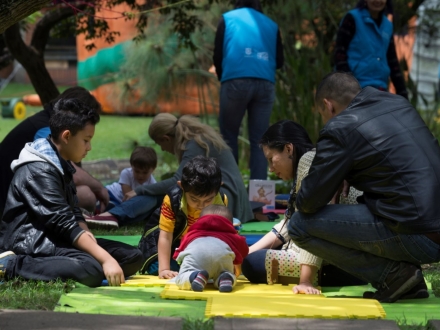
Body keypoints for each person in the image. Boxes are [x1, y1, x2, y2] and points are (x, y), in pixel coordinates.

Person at [288, 71, 440, 303]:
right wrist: (348, 170)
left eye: (322, 115)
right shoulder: (397, 103)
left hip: (418, 233)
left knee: (299, 225)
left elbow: (308, 201)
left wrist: (339, 173)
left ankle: (395, 275)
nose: (326, 121)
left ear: (328, 106)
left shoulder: (339, 126)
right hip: (431, 226)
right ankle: (410, 284)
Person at [0, 98, 143, 287]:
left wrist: (89, 240)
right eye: (86, 140)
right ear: (67, 136)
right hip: (31, 244)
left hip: (58, 239)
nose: (89, 147)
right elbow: (63, 222)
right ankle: (10, 265)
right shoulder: (39, 169)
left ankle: (87, 262)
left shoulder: (61, 161)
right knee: (91, 268)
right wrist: (105, 259)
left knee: (133, 257)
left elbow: (74, 211)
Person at [241, 120, 364, 294]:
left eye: (271, 159)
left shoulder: (310, 163)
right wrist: (245, 251)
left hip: (345, 265)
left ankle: (314, 275)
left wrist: (305, 281)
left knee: (252, 264)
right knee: (252, 256)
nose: (270, 168)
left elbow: (316, 221)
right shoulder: (310, 162)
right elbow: (289, 224)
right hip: (344, 258)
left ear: (289, 149)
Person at [87, 113, 254, 227]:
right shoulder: (198, 139)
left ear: (166, 138)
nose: (163, 149)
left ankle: (114, 215)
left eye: (161, 145)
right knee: (163, 195)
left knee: (164, 193)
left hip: (224, 200)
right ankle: (115, 217)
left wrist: (140, 191)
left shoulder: (195, 144)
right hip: (222, 196)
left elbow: (177, 181)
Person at [0, 87, 109, 214]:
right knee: (86, 195)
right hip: (9, 201)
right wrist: (99, 188)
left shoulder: (46, 122)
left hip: (17, 193)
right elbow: (72, 174)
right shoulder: (45, 130)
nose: (89, 147)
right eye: (85, 140)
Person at [213, 0, 284, 180]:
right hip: (265, 83)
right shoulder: (272, 25)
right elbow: (280, 61)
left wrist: (224, 77)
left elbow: (217, 55)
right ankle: (258, 196)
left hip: (235, 81)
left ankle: (231, 189)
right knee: (259, 141)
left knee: (228, 136)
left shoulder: (227, 19)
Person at [334, 0, 408, 99]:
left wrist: (404, 96)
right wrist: (350, 84)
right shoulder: (352, 19)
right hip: (353, 91)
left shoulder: (387, 26)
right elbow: (339, 54)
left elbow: (392, 62)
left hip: (379, 90)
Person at [174, 204, 248, 292]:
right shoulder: (232, 236)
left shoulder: (192, 233)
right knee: (226, 272)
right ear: (230, 223)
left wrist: (177, 255)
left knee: (181, 277)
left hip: (197, 257)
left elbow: (182, 247)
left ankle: (195, 276)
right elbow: (244, 250)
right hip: (222, 259)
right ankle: (225, 278)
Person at [86, 146, 157, 228]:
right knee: (101, 203)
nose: (140, 175)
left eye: (145, 173)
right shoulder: (126, 173)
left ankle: (98, 217)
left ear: (153, 169)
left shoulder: (153, 183)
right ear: (132, 166)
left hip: (119, 203)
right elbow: (127, 195)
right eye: (137, 171)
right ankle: (90, 214)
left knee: (111, 208)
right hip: (112, 194)